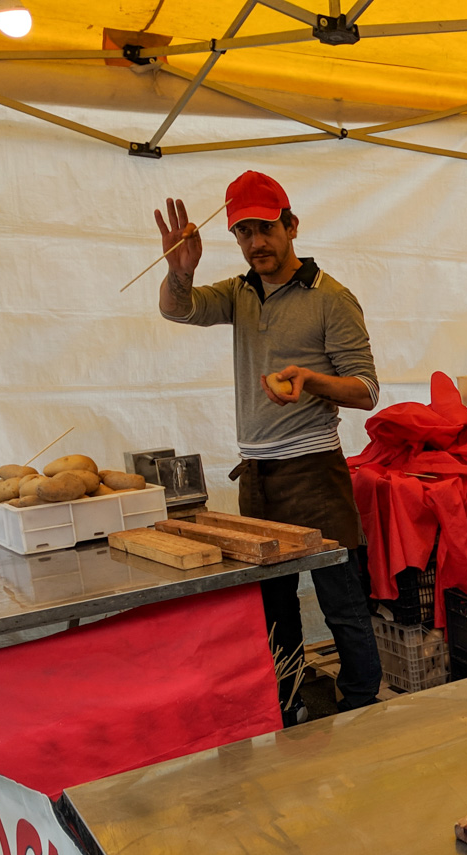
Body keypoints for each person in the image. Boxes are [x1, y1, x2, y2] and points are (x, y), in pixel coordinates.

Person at [154, 169, 382, 724]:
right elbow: (176, 309)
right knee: (273, 607)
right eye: (244, 232)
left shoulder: (332, 299)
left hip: (314, 469)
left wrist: (312, 379)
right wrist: (177, 272)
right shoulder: (240, 294)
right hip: (257, 475)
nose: (256, 242)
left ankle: (363, 706)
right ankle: (287, 705)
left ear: (292, 226)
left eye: (266, 228)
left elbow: (367, 389)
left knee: (342, 601)